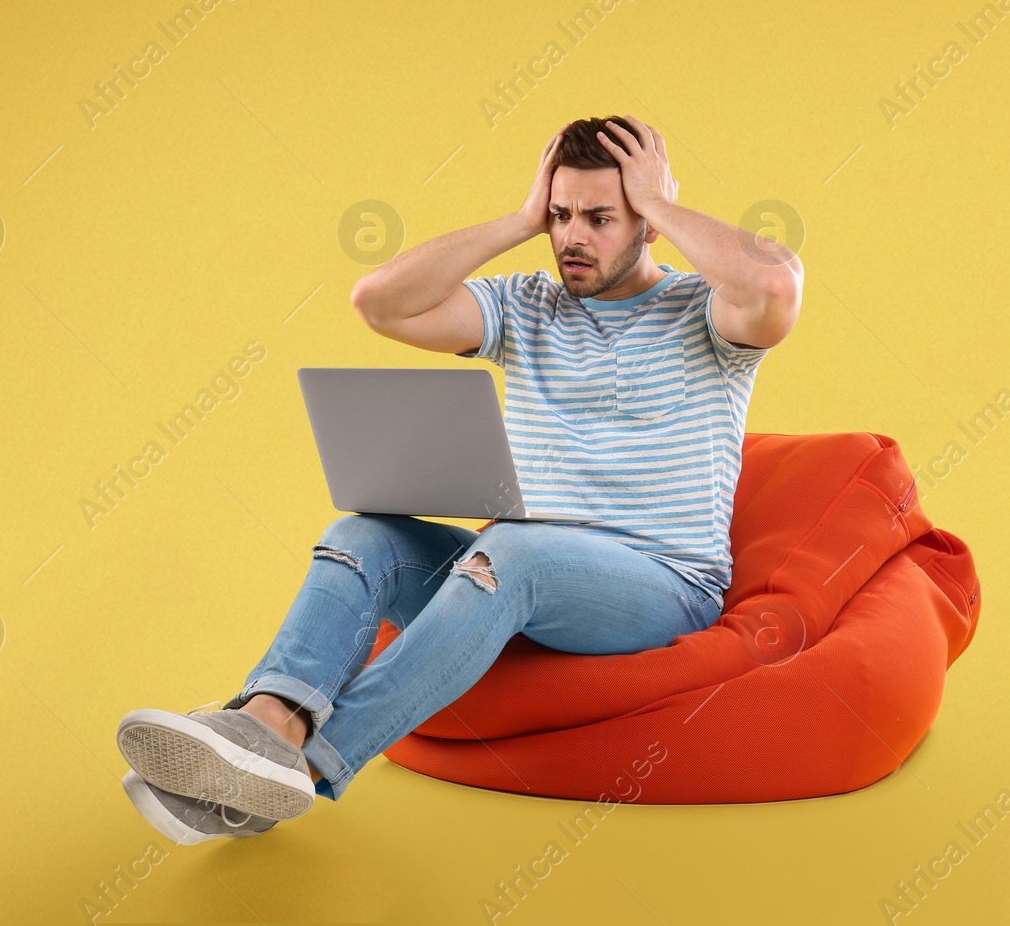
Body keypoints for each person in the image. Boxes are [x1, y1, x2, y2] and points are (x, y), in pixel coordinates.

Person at [114, 114, 804, 844]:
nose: (574, 236)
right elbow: (379, 303)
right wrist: (517, 221)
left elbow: (773, 284)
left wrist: (658, 199)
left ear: (649, 225)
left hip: (661, 587)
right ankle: (264, 725)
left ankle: (307, 765)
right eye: (562, 215)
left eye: (602, 218)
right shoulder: (527, 304)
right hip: (517, 576)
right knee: (363, 533)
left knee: (516, 551)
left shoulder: (706, 313)